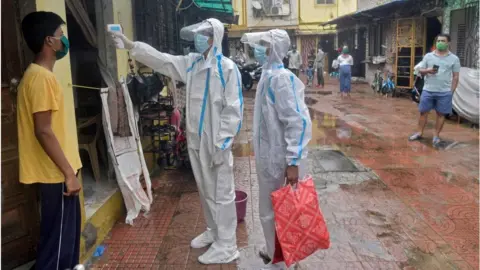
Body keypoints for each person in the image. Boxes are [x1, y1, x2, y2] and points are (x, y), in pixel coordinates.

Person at [110, 18, 243, 264]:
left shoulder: (227, 69)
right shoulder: (192, 64)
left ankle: (228, 245)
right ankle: (214, 231)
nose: (199, 38)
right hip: (195, 140)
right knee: (205, 189)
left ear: (215, 37)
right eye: (198, 34)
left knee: (222, 192)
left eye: (204, 34)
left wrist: (223, 143)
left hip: (216, 143)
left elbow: (233, 109)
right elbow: (163, 60)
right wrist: (131, 46)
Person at [241, 29, 312, 270]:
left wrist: (293, 161)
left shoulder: (281, 78)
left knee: (275, 211)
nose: (259, 49)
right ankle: (274, 252)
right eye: (259, 44)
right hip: (267, 157)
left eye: (264, 44)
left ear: (276, 49)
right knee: (270, 210)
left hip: (278, 158)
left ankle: (281, 263)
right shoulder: (267, 76)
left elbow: (298, 120)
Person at [18, 11, 83, 270]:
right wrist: (69, 173)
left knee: (63, 243)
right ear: (49, 41)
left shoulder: (40, 76)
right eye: (61, 35)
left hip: (60, 171)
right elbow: (43, 130)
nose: (64, 40)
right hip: (56, 175)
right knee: (56, 249)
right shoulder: (41, 79)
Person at [408, 34, 460, 146]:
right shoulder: (428, 56)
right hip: (428, 90)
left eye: (443, 41)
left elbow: (455, 76)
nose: (440, 42)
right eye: (438, 40)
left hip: (444, 91)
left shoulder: (454, 59)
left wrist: (451, 92)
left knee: (441, 115)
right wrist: (428, 70)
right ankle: (419, 133)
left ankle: (436, 136)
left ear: (448, 43)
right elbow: (420, 70)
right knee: (423, 112)